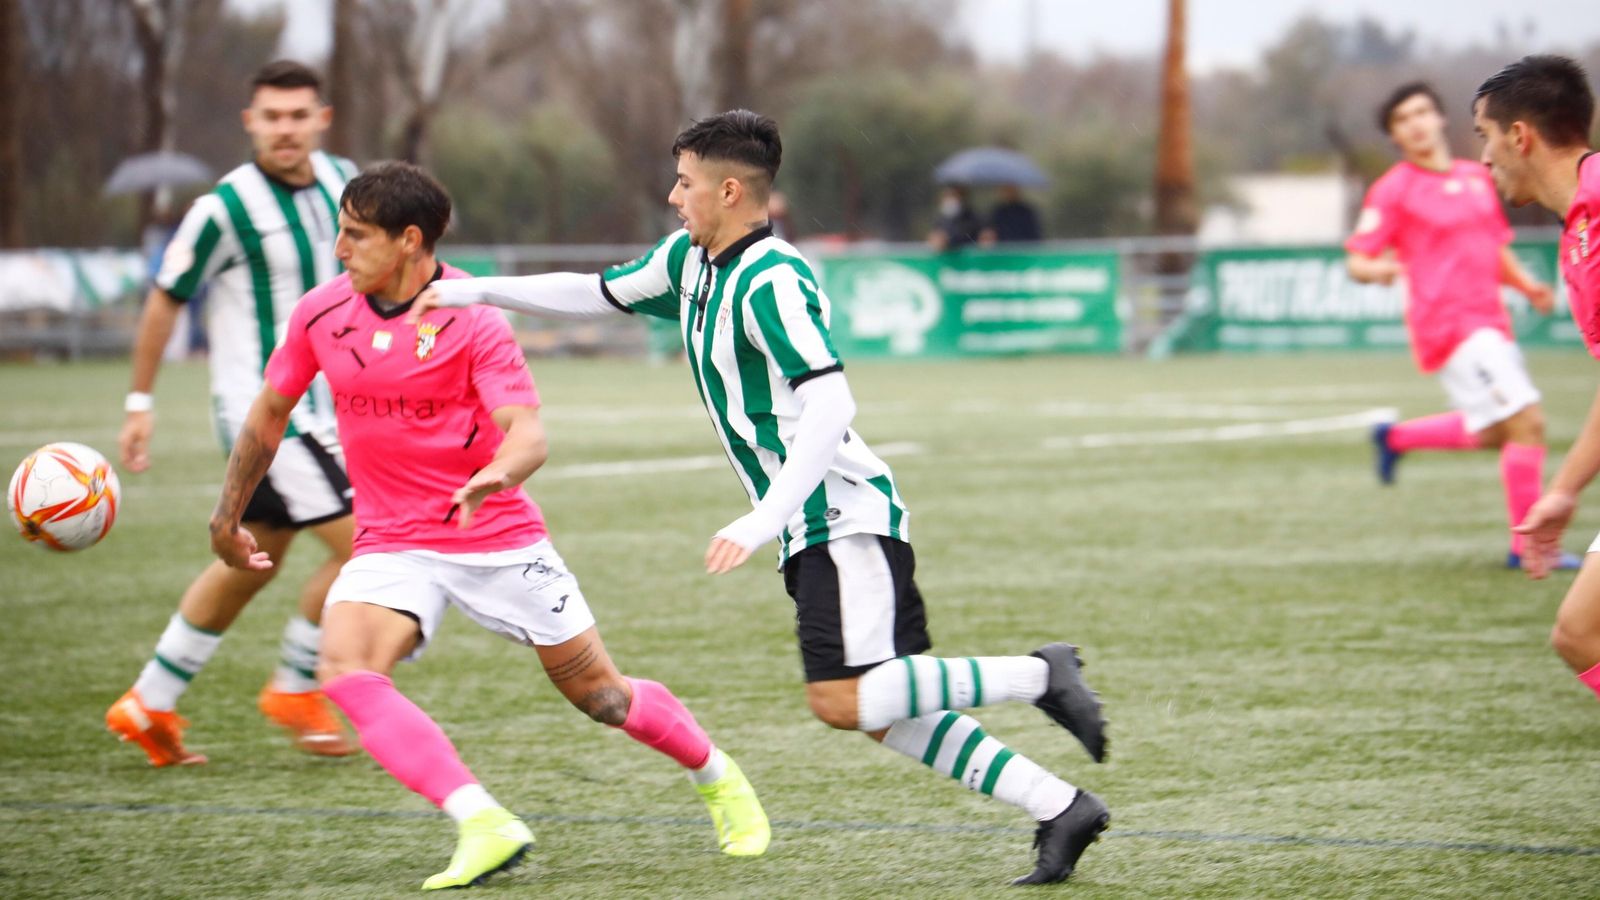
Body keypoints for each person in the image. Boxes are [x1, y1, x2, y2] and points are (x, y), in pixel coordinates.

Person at [414, 110, 1111, 886]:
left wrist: (765, 515)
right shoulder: (691, 260)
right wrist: (466, 292)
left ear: (731, 190)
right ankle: (1060, 807)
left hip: (842, 514)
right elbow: (593, 291)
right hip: (810, 525)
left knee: (843, 700)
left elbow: (832, 403)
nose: (675, 197)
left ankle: (1043, 675)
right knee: (879, 715)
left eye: (685, 183)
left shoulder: (773, 278)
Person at [209, 161, 769, 890]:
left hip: (497, 538)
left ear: (410, 240)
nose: (340, 251)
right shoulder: (321, 313)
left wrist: (498, 472)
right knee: (344, 667)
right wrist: (226, 518)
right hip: (393, 539)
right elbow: (269, 414)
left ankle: (719, 777)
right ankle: (483, 820)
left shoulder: (472, 318)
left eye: (355, 236)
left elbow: (528, 433)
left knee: (602, 697)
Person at [107, 60, 360, 766]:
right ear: (251, 122)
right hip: (272, 417)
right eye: (272, 116)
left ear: (321, 118)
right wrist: (139, 402)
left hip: (335, 411)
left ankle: (148, 700)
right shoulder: (225, 206)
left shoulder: (347, 184)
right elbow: (167, 296)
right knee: (375, 544)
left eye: (298, 114)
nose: (286, 128)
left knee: (253, 561)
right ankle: (297, 684)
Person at [1345, 81, 1571, 571]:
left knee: (1497, 432)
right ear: (1395, 135)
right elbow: (1357, 261)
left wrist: (1526, 285)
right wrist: (1380, 269)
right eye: (1404, 119)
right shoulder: (1394, 189)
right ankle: (1526, 547)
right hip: (1449, 325)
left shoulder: (1476, 176)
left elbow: (1493, 248)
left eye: (1423, 111)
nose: (1417, 123)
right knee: (1528, 423)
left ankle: (1395, 438)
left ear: (1441, 118)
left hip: (1490, 320)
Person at [1475, 56, 1600, 695]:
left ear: (1519, 136)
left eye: (1484, 136)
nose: (1484, 158)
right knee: (1578, 633)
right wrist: (1565, 491)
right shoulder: (1577, 228)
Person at [926, 184, 983, 251]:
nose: (950, 199)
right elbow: (935, 234)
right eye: (947, 196)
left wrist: (948, 240)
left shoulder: (971, 217)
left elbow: (968, 236)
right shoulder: (940, 219)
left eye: (953, 195)